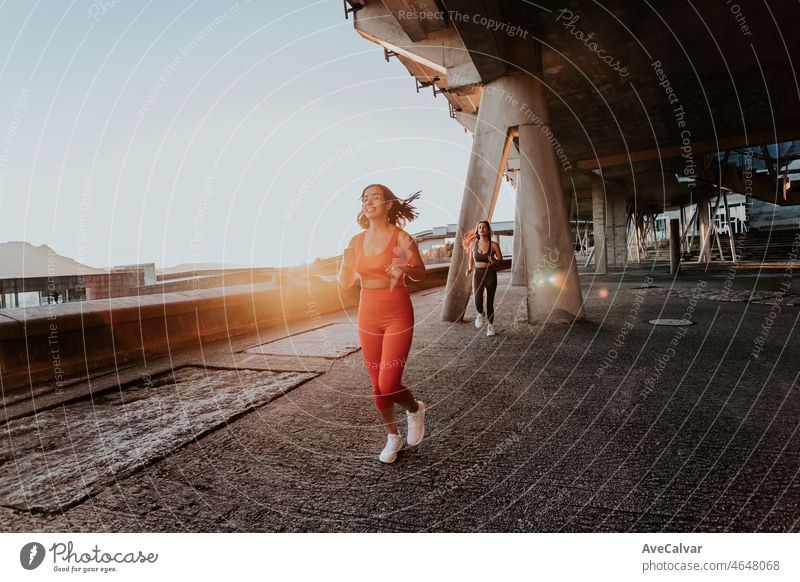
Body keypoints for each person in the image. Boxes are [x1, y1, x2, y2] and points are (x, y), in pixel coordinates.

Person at [338, 184, 428, 464]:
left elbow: (422, 274)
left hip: (397, 311)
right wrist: (345, 261)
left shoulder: (401, 238)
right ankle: (392, 436)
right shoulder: (356, 241)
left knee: (388, 383)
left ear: (388, 204)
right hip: (368, 312)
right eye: (365, 198)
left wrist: (404, 268)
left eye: (375, 197)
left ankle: (415, 408)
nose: (369, 201)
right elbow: (345, 283)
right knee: (376, 386)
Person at [464, 220, 502, 336]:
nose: (482, 229)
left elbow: (500, 260)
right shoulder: (473, 244)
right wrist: (470, 269)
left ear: (488, 230)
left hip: (490, 274)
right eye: (480, 227)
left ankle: (490, 326)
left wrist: (494, 260)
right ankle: (480, 313)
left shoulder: (494, 245)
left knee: (489, 302)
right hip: (478, 274)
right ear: (477, 230)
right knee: (477, 301)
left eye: (484, 227)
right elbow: (471, 259)